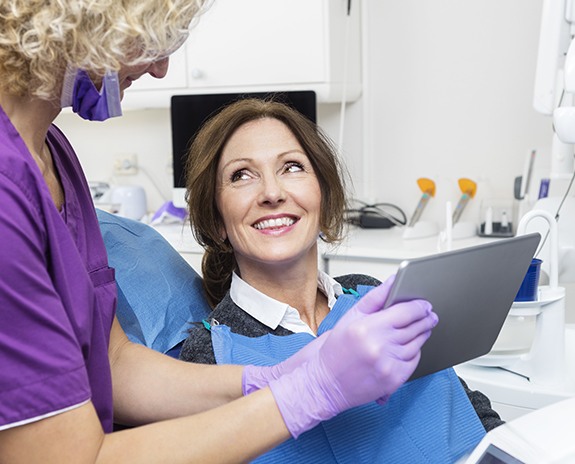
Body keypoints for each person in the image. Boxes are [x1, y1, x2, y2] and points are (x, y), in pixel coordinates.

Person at [0, 1, 440, 462]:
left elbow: (113, 363)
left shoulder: (54, 152)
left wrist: (275, 376)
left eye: (292, 167)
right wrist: (309, 392)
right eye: (149, 40)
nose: (162, 68)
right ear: (85, 20)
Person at [179, 98, 504, 462]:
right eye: (241, 175)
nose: (272, 193)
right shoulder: (209, 356)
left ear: (323, 197)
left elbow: (463, 404)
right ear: (217, 220)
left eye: (291, 167)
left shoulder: (371, 292)